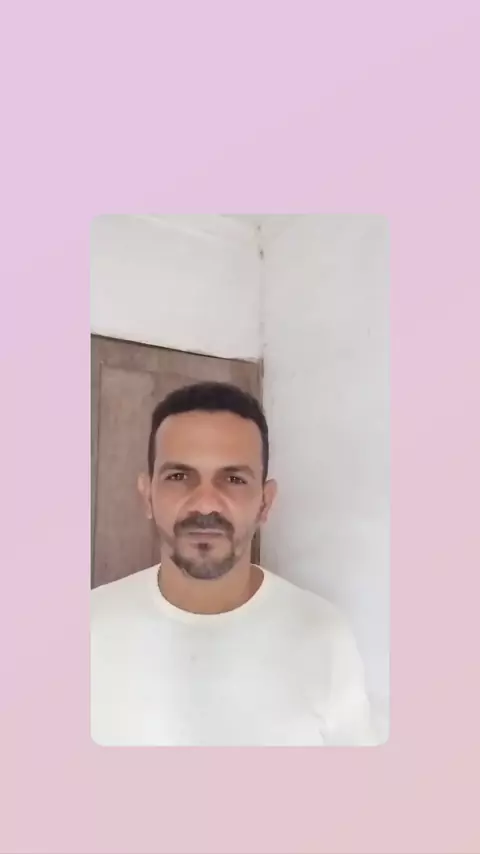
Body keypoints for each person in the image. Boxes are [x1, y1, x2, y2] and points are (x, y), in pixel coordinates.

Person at [91, 381, 377, 746]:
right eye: (179, 477)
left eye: (233, 479)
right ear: (148, 496)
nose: (206, 504)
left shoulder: (324, 634)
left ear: (265, 503)